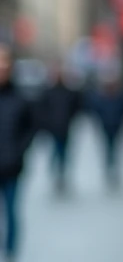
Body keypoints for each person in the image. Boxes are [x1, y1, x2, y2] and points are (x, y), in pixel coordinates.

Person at [0, 44, 36, 262]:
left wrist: (18, 152)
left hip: (12, 167)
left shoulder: (21, 98)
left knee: (12, 214)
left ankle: (11, 258)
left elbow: (30, 129)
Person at [37, 60, 82, 194]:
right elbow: (41, 110)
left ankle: (61, 174)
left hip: (65, 128)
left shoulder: (69, 92)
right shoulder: (48, 92)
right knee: (56, 151)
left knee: (63, 152)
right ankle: (56, 174)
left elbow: (76, 107)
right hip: (53, 129)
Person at [87, 74, 123, 187]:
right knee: (108, 147)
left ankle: (113, 167)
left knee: (114, 147)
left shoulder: (119, 97)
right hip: (106, 126)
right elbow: (96, 111)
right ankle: (109, 167)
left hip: (116, 126)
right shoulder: (101, 98)